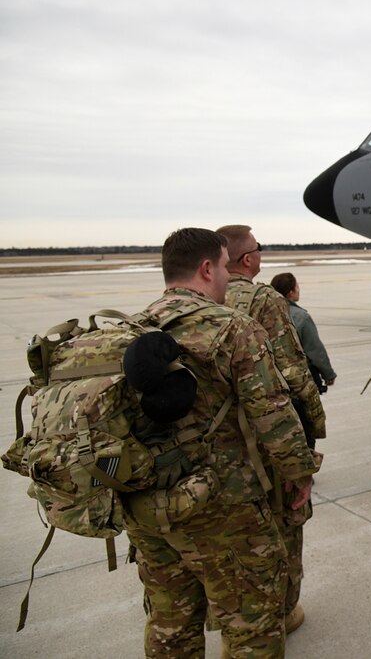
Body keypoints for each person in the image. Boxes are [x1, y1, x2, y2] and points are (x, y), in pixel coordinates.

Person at [124, 227, 318, 658]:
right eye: (224, 270)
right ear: (207, 268)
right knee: (251, 621)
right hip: (223, 508)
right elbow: (274, 416)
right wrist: (299, 475)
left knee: (170, 623)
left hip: (150, 509)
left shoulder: (134, 328)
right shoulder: (233, 328)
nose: (229, 280)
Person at [216, 224, 326, 634]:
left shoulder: (199, 299)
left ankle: (235, 612)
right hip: (266, 433)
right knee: (285, 523)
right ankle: (283, 610)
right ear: (248, 259)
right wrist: (312, 427)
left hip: (218, 445)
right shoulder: (263, 299)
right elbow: (294, 370)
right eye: (258, 249)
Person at [270, 272, 337, 393]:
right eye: (297, 287)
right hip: (299, 379)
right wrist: (328, 374)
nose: (298, 290)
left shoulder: (265, 313)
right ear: (290, 292)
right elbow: (315, 350)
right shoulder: (301, 317)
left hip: (273, 379)